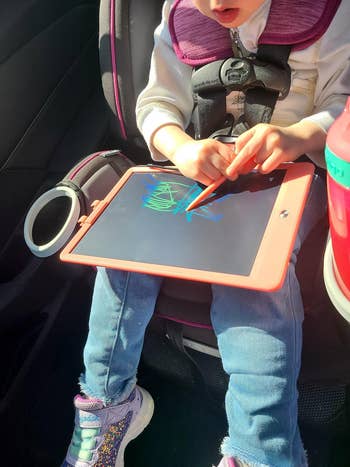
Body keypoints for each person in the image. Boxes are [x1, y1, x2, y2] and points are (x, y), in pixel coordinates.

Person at [62, 1, 350, 466]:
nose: (215, 3)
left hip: (293, 174)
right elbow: (156, 104)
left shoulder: (330, 13)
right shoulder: (181, 18)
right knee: (121, 247)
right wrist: (181, 146)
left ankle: (262, 449)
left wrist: (295, 135)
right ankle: (106, 405)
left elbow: (344, 105)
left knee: (250, 277)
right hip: (198, 169)